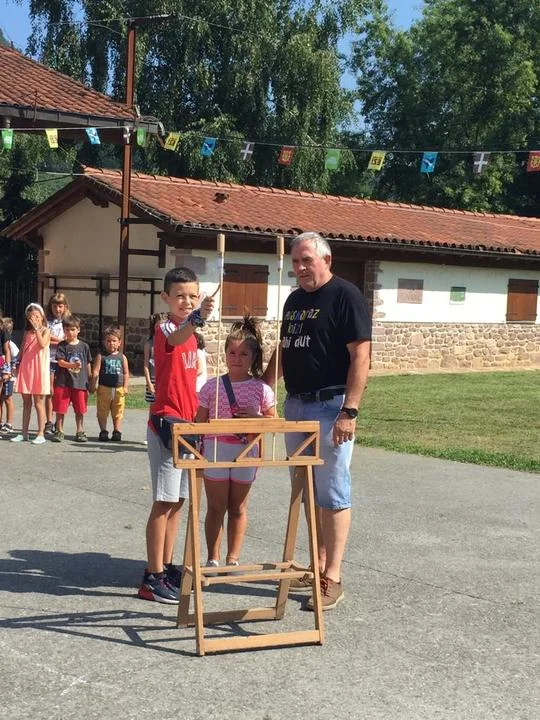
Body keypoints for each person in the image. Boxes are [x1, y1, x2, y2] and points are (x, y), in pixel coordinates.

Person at [264, 232, 371, 611]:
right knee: (307, 492)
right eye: (295, 262)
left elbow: (361, 356)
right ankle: (317, 564)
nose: (299, 268)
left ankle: (333, 577)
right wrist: (262, 388)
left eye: (306, 260)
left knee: (332, 492)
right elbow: (284, 348)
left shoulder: (345, 296)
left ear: (326, 259)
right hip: (296, 405)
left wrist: (349, 411)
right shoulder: (294, 300)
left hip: (330, 406)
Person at [138, 266, 214, 604]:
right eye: (180, 296)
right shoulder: (166, 329)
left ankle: (166, 565)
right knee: (163, 501)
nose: (187, 301)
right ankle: (151, 576)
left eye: (193, 296)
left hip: (187, 424)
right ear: (165, 298)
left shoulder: (193, 334)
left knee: (178, 501)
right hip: (166, 424)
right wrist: (197, 318)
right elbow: (175, 338)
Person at [196, 316, 275, 573]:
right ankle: (213, 557)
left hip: (246, 451)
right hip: (216, 450)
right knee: (215, 507)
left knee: (238, 507)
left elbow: (273, 422)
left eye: (243, 354)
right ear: (225, 354)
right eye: (232, 352)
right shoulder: (211, 387)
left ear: (253, 357)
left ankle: (233, 557)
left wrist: (256, 417)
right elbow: (198, 422)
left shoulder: (262, 389)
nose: (237, 358)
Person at [11, 303, 51, 444]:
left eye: (36, 316)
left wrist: (37, 329)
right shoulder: (27, 332)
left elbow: (42, 344)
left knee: (38, 403)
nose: (34, 319)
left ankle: (41, 433)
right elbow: (22, 349)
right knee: (26, 402)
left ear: (42, 317)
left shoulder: (46, 331)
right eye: (31, 317)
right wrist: (16, 363)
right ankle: (24, 433)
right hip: (26, 369)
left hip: (39, 369)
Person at [51, 316, 92, 443]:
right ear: (64, 330)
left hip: (80, 382)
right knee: (60, 409)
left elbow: (88, 363)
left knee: (80, 409)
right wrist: (72, 365)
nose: (70, 332)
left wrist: (90, 379)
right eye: (67, 330)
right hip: (63, 382)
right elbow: (61, 362)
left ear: (78, 330)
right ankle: (59, 430)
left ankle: (80, 431)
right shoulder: (62, 345)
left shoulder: (84, 346)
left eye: (73, 329)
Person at [92, 326, 129, 442]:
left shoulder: (122, 357)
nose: (111, 343)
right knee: (102, 411)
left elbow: (126, 373)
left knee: (118, 411)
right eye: (108, 341)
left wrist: (125, 387)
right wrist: (93, 385)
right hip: (104, 388)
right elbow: (96, 371)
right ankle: (103, 431)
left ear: (119, 343)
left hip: (118, 388)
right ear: (104, 342)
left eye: (114, 341)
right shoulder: (101, 356)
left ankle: (117, 431)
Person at [45, 292, 71, 434]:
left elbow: (69, 340)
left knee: (60, 392)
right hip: (49, 360)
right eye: (55, 306)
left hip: (62, 361)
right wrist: (59, 340)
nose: (57, 309)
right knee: (49, 391)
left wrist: (52, 339)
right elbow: (44, 339)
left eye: (60, 306)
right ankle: (49, 421)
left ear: (65, 307)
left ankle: (58, 423)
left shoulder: (68, 323)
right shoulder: (46, 322)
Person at [0, 317, 17, 434]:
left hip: (6, 372)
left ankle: (9, 423)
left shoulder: (11, 345)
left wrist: (8, 370)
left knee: (7, 398)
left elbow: (13, 356)